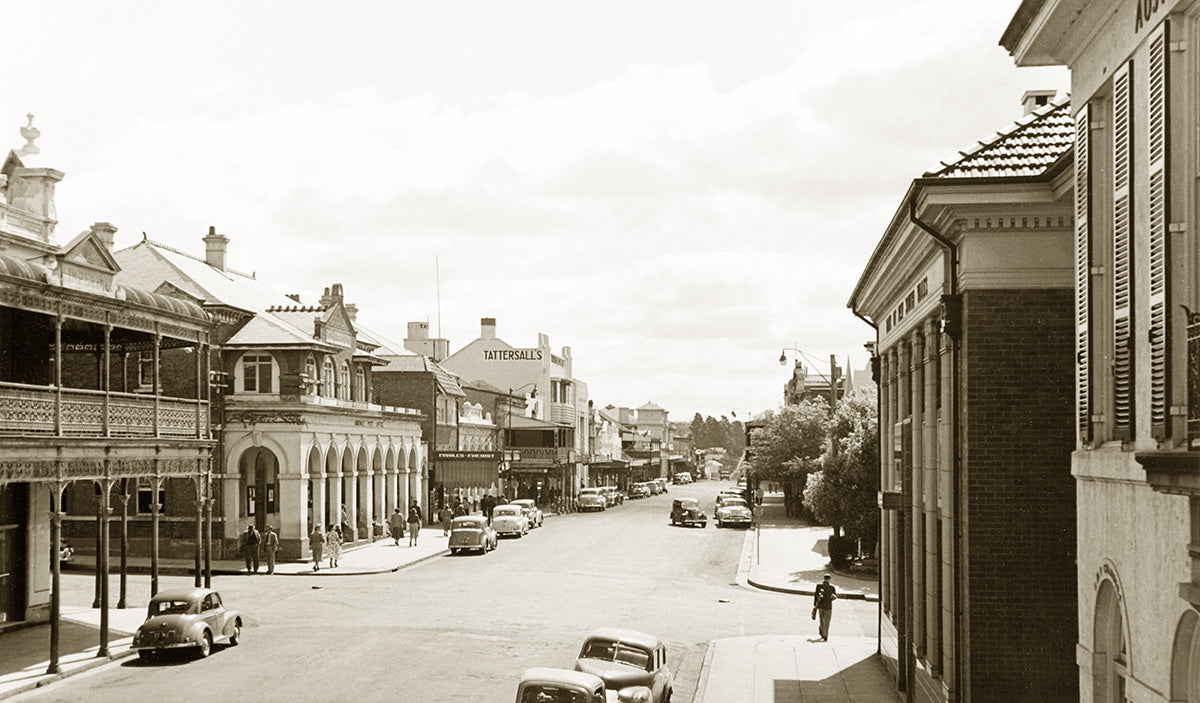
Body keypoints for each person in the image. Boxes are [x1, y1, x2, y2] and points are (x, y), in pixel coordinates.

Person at [813, 574, 837, 641]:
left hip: (821, 606)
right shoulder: (831, 588)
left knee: (822, 621)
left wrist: (815, 605)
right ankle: (825, 635)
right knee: (827, 621)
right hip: (828, 606)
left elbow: (816, 595)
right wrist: (833, 597)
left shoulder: (819, 586)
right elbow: (834, 596)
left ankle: (823, 634)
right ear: (829, 579)